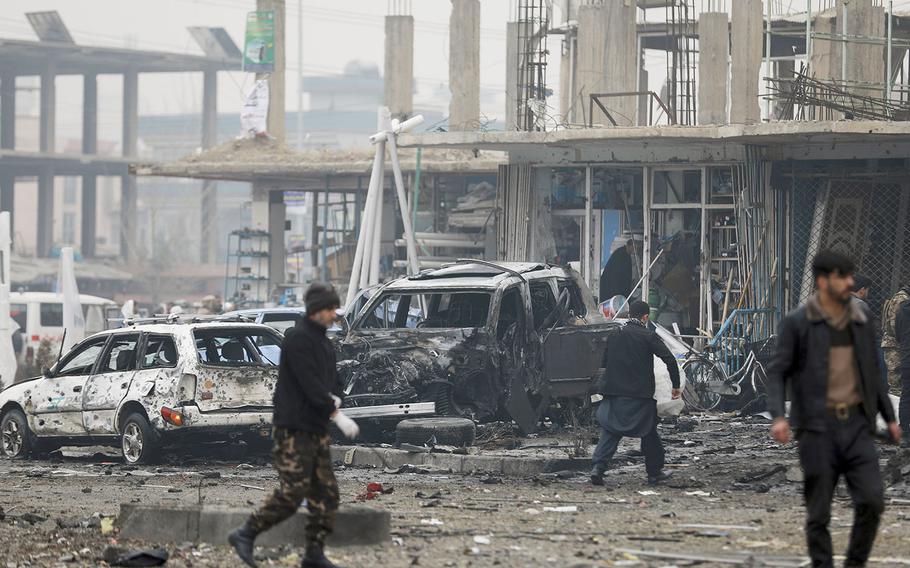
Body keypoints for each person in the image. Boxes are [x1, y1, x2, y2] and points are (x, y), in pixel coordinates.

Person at [768, 250, 901, 568]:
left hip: (857, 426)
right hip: (816, 429)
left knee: (872, 500)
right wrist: (778, 416)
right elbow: (778, 371)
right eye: (842, 276)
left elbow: (871, 372)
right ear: (823, 281)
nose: (849, 283)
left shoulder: (861, 318)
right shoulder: (797, 322)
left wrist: (890, 417)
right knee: (819, 511)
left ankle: (855, 562)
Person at [229, 283, 360, 568]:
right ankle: (245, 533)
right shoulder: (298, 339)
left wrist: (339, 396)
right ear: (316, 311)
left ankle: (314, 553)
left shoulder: (324, 342)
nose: (334, 315)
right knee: (294, 492)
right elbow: (309, 383)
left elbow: (330, 379)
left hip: (316, 430)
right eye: (329, 309)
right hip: (294, 429)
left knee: (326, 494)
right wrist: (335, 413)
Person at [590, 300, 681, 486]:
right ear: (645, 317)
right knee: (648, 432)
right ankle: (654, 473)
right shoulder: (648, 336)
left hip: (614, 393)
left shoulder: (615, 334)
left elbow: (604, 363)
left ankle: (598, 468)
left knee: (611, 431)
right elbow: (670, 360)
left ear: (629, 314)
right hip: (639, 395)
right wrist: (676, 386)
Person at [881, 284, 910, 393]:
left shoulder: (903, 298)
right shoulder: (901, 299)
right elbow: (894, 323)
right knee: (896, 384)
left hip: (898, 342)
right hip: (895, 343)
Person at [896, 297, 910, 443]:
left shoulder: (902, 309)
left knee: (906, 395)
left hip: (907, 357)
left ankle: (905, 434)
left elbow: (898, 334)